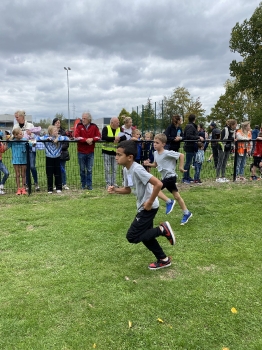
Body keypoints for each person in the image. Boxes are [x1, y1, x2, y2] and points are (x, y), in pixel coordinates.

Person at [108, 140, 175, 270]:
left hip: (148, 207)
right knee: (146, 236)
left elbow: (158, 184)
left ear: (130, 157)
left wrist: (149, 202)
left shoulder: (137, 169)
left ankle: (162, 230)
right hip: (143, 207)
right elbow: (127, 190)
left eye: (119, 154)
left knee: (132, 236)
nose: (116, 157)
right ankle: (163, 259)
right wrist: (115, 190)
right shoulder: (126, 170)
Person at [144, 133, 193, 225]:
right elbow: (156, 164)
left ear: (163, 144)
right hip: (165, 178)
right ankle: (186, 213)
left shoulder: (167, 153)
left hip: (171, 177)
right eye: (154, 142)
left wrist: (181, 167)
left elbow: (181, 155)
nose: (155, 144)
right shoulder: (155, 153)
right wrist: (148, 164)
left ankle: (169, 201)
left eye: (157, 143)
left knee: (154, 188)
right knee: (177, 196)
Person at [36, 125, 70, 193]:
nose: (56, 132)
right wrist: (47, 139)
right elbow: (37, 138)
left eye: (57, 130)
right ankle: (50, 189)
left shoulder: (60, 137)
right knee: (49, 173)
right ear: (50, 132)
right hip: (49, 158)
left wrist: (58, 139)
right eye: (55, 131)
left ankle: (58, 188)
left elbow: (67, 138)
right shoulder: (46, 137)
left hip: (57, 157)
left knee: (58, 173)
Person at [13, 110, 40, 191]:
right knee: (26, 167)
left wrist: (30, 134)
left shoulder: (30, 125)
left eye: (17, 117)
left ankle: (36, 182)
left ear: (22, 117)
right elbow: (13, 136)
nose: (16, 119)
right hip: (21, 151)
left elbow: (36, 135)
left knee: (32, 166)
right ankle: (27, 184)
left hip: (30, 149)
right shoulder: (15, 126)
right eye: (15, 117)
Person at [74, 112, 101, 190]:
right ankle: (83, 184)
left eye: (84, 118)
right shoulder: (79, 126)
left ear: (89, 119)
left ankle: (89, 185)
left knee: (89, 169)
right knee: (82, 169)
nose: (83, 120)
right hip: (81, 151)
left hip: (90, 151)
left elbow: (99, 136)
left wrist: (92, 139)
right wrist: (86, 140)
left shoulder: (94, 126)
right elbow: (76, 137)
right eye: (82, 118)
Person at [102, 117, 126, 188]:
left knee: (114, 169)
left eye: (118, 122)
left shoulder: (120, 129)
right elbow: (103, 137)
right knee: (107, 169)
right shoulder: (106, 128)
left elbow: (124, 137)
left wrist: (118, 139)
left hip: (116, 153)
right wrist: (113, 139)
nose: (118, 124)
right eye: (117, 123)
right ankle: (108, 183)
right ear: (112, 123)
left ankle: (113, 182)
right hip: (106, 152)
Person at [182, 114, 204, 184]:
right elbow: (188, 136)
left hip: (192, 146)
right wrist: (198, 137)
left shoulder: (191, 126)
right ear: (194, 119)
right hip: (189, 146)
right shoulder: (190, 126)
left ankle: (187, 176)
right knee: (188, 162)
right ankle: (185, 177)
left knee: (189, 162)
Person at [7, 128, 28, 195]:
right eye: (20, 134)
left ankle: (24, 188)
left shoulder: (25, 140)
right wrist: (7, 141)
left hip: (24, 159)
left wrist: (33, 143)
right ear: (15, 135)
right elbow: (6, 148)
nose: (22, 135)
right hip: (16, 160)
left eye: (22, 133)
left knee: (23, 174)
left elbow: (31, 145)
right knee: (17, 174)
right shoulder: (12, 141)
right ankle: (18, 188)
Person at [52, 118, 70, 190]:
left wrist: (59, 148)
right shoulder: (51, 133)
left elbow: (66, 144)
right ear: (53, 123)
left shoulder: (63, 133)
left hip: (62, 154)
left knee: (62, 169)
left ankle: (64, 183)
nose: (57, 124)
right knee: (55, 170)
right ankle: (56, 184)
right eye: (56, 122)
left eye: (59, 122)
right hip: (53, 154)